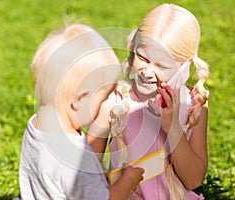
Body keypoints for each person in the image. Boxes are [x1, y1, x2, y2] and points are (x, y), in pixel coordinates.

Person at [88, 3, 209, 200]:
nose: (147, 72)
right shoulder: (114, 101)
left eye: (161, 65)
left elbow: (193, 180)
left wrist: (174, 129)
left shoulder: (195, 105)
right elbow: (87, 169)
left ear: (184, 66)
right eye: (142, 57)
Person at [18, 24, 144, 200]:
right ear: (79, 99)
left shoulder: (36, 125)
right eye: (102, 99)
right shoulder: (76, 159)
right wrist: (128, 181)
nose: (104, 106)